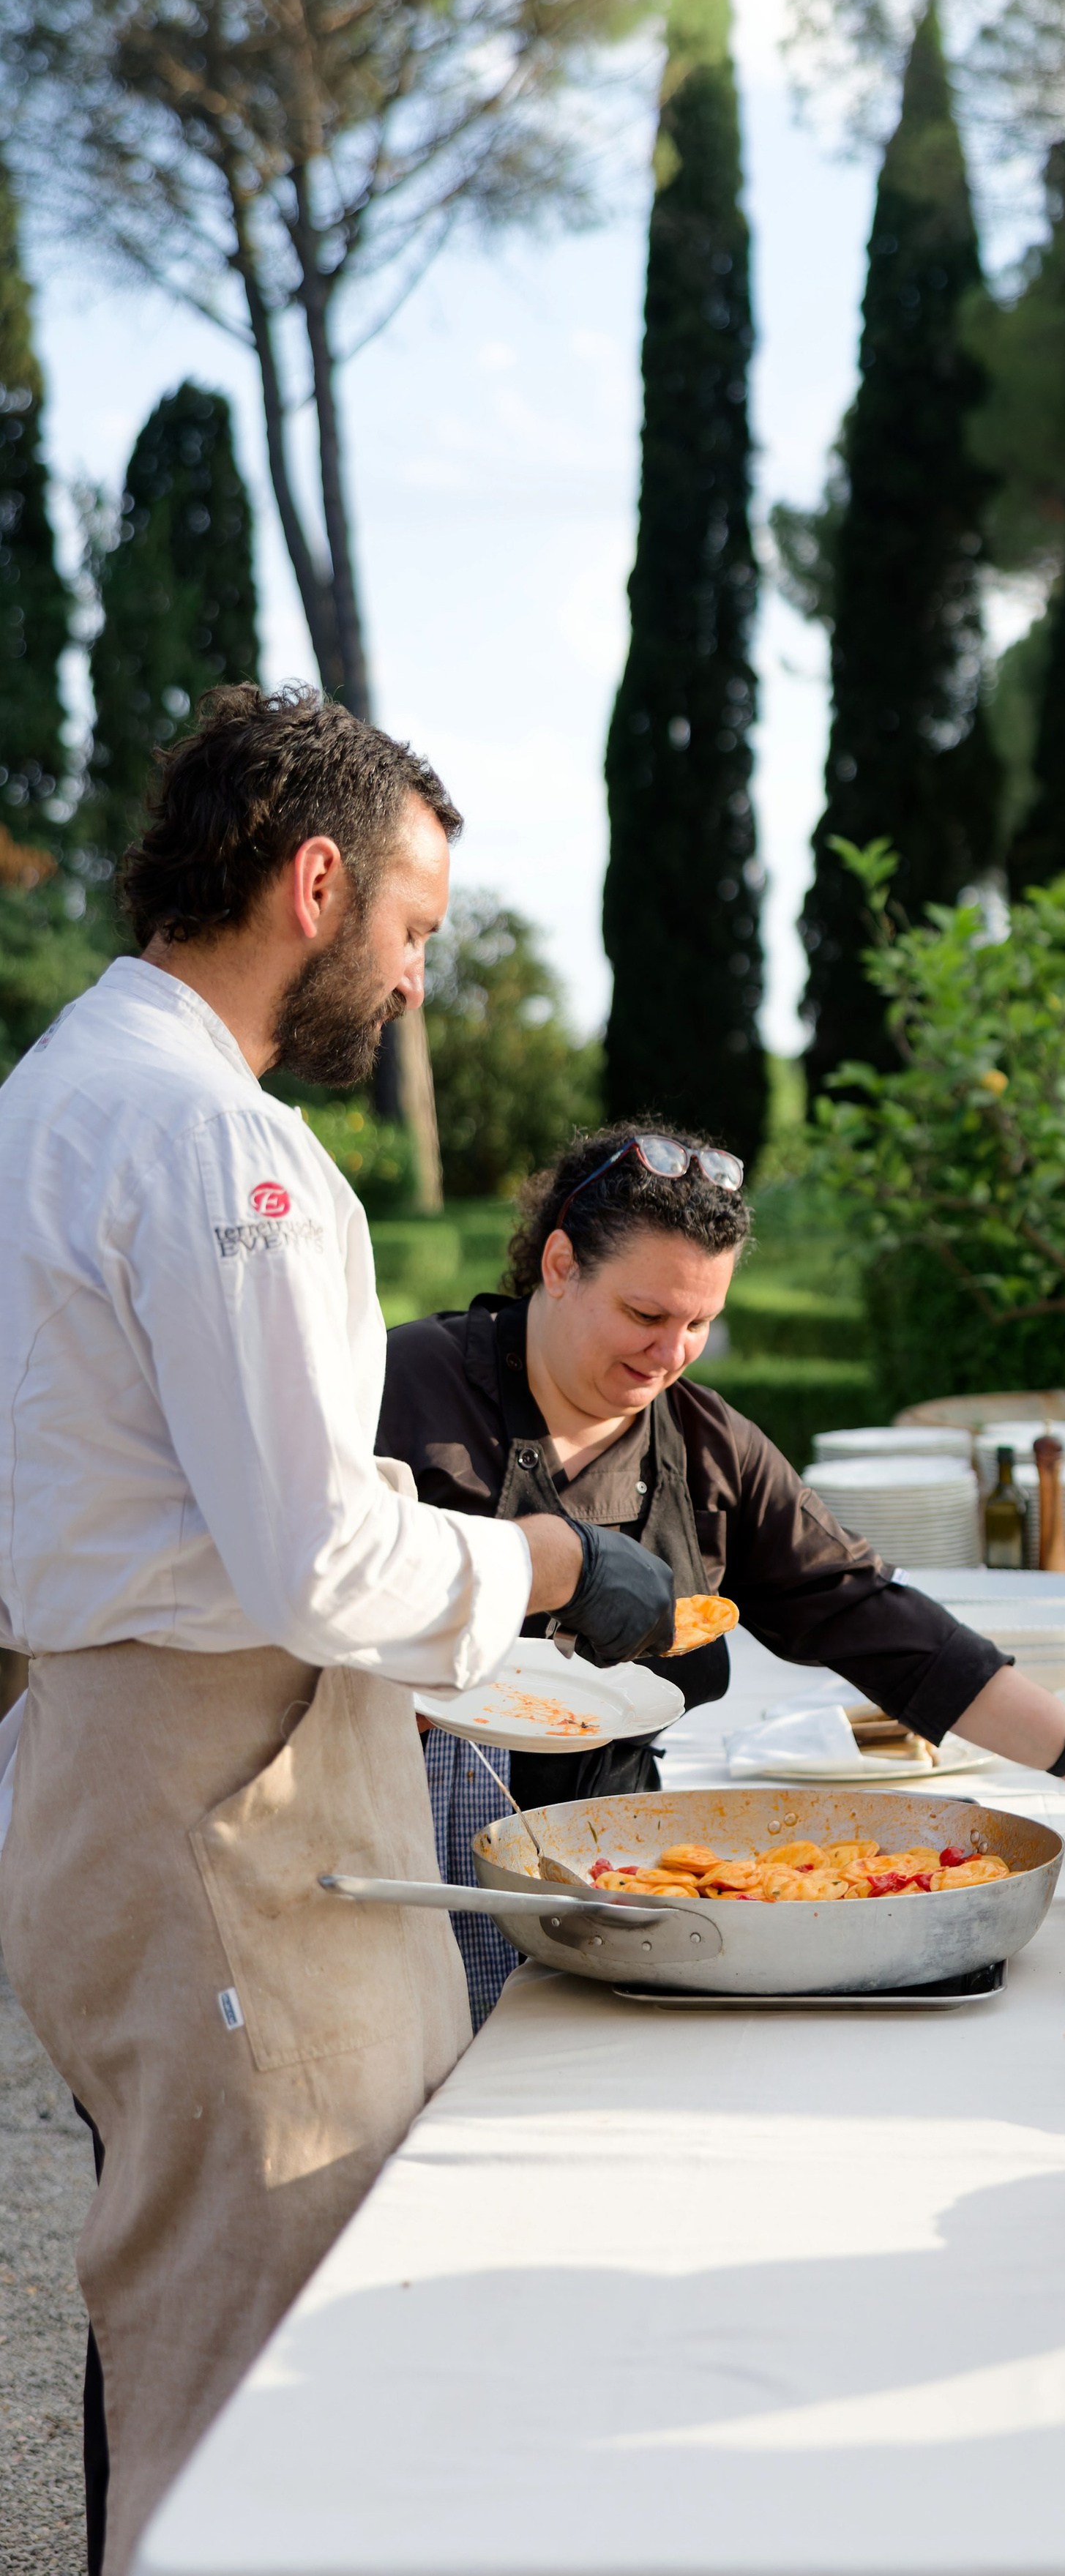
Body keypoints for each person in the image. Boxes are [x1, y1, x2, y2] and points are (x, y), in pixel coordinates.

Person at [0, 686, 669, 2576]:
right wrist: (540, 1565)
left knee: (194, 2311)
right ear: (316, 882)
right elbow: (307, 1560)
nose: (412, 978)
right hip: (228, 1812)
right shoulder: (231, 1150)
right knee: (263, 2375)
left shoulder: (44, 1094)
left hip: (102, 1778)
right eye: (411, 928)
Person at [379, 1125, 1065, 2023]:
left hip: (605, 1874)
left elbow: (866, 1612)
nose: (670, 1353)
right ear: (560, 1263)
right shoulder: (401, 1388)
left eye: (700, 1323)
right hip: (398, 1850)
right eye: (645, 1315)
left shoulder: (707, 1445)